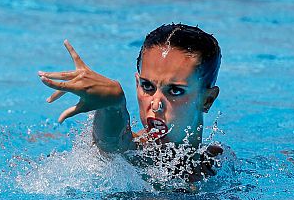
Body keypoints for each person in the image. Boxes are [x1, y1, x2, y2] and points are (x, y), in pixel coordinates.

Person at [38, 23, 223, 182]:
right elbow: (113, 145)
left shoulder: (216, 159)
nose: (156, 104)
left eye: (175, 91)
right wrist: (112, 104)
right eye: (147, 87)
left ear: (207, 100)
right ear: (137, 84)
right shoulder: (138, 153)